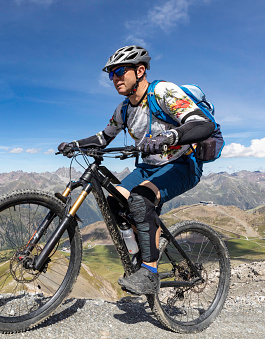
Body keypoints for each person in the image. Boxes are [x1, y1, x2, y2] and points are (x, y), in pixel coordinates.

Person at [58, 45, 215, 295]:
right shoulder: (124, 108)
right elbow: (103, 138)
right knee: (114, 202)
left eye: (120, 71)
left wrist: (169, 136)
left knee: (140, 200)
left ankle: (150, 272)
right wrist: (75, 144)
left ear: (140, 70)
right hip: (148, 168)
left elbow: (203, 123)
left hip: (183, 163)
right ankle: (143, 251)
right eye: (111, 74)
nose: (115, 78)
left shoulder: (162, 92)